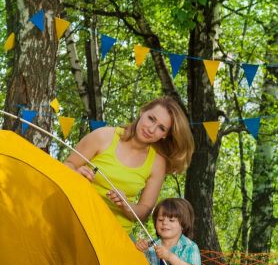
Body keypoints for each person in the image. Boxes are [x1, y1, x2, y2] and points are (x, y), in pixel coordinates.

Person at [64, 97, 194, 234]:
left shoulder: (157, 162)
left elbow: (144, 212)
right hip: (76, 217)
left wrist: (127, 206)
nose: (151, 129)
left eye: (161, 128)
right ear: (142, 112)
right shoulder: (104, 136)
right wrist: (75, 173)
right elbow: (68, 164)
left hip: (115, 233)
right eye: (151, 118)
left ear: (165, 135)